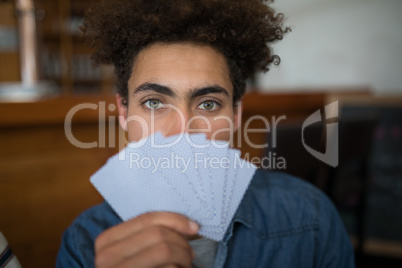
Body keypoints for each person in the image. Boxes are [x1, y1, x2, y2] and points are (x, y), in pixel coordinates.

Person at [56, 0, 355, 267]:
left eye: (208, 104)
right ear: (124, 114)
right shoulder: (85, 245)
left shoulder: (310, 218)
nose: (184, 130)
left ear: (236, 115)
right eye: (154, 102)